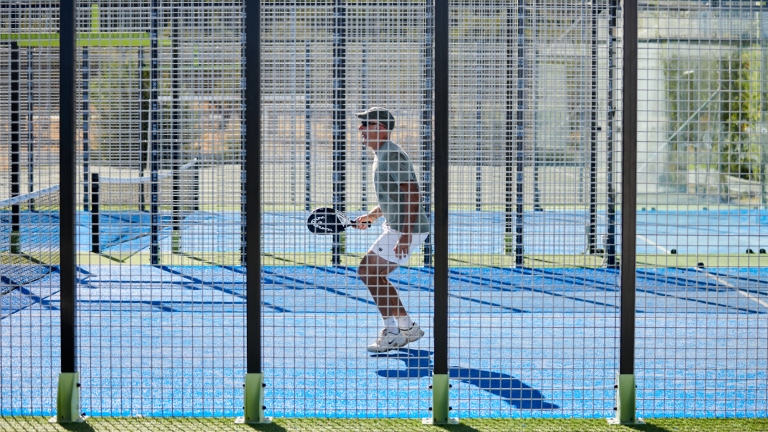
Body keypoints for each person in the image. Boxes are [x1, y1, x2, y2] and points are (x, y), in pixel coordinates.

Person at [354, 107, 431, 353]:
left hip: (406, 228)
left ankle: (393, 332)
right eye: (362, 124)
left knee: (367, 271)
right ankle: (407, 328)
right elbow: (393, 196)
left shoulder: (392, 155)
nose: (361, 128)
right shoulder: (383, 154)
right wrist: (372, 216)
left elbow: (412, 193)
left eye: (367, 124)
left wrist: (406, 234)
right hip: (400, 226)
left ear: (381, 129)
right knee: (374, 275)